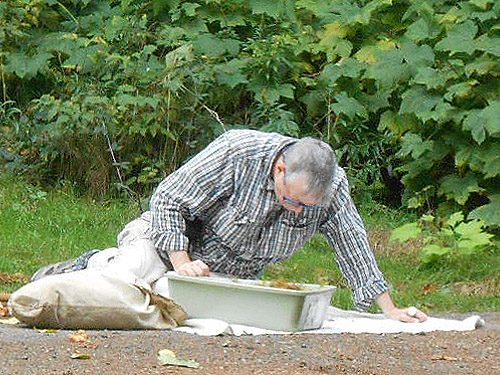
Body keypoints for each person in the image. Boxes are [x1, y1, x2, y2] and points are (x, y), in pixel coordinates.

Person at [32, 129, 427, 323]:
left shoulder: (331, 188)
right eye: (291, 199)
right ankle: (89, 265)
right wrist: (182, 259)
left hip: (222, 276)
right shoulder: (237, 151)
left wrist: (388, 309)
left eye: (306, 207)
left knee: (167, 311)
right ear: (279, 168)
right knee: (129, 277)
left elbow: (352, 243)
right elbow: (169, 198)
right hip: (162, 245)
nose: (296, 211)